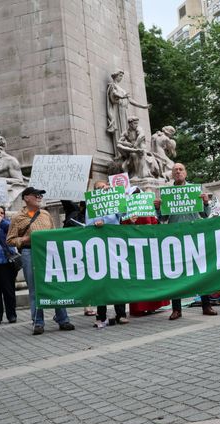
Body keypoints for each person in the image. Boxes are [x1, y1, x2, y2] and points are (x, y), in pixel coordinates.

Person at [7, 187, 75, 335]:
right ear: (26, 198)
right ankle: (38, 322)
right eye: (36, 194)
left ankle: (63, 319)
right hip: (29, 252)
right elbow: (10, 240)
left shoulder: (45, 214)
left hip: (48, 253)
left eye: (40, 195)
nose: (39, 197)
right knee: (34, 288)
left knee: (55, 284)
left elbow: (54, 233)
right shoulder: (17, 217)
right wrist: (24, 239)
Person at [157, 163, 217, 319]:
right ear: (172, 174)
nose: (178, 171)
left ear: (185, 172)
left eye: (181, 169)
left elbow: (205, 215)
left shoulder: (195, 190)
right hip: (175, 237)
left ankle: (206, 305)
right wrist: (158, 208)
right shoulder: (167, 193)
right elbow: (162, 218)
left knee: (201, 269)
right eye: (175, 170)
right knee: (176, 272)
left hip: (194, 235)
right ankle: (176, 309)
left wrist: (205, 203)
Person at [86, 181, 129, 327]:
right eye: (99, 188)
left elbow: (123, 213)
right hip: (99, 247)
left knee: (118, 279)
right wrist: (97, 223)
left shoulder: (114, 201)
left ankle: (121, 314)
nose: (103, 190)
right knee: (100, 280)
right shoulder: (91, 206)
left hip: (114, 245)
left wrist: (118, 196)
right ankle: (101, 315)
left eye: (105, 187)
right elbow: (88, 224)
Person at [122, 187, 171, 316]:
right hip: (135, 250)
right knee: (138, 278)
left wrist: (152, 227)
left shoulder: (149, 211)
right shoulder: (127, 212)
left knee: (151, 276)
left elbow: (156, 223)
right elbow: (122, 229)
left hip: (150, 248)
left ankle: (152, 306)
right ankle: (139, 308)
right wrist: (130, 223)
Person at [106, 70, 149, 149]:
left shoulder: (122, 89)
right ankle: (120, 150)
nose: (121, 78)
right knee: (119, 128)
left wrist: (142, 106)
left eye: (122, 76)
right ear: (116, 76)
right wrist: (122, 97)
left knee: (125, 127)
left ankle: (127, 148)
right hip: (117, 109)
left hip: (123, 110)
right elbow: (114, 94)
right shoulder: (112, 85)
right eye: (120, 76)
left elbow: (130, 100)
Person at [0, 205, 18, 324]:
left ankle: (11, 314)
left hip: (6, 262)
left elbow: (7, 227)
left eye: (2, 213)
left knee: (8, 290)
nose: (0, 214)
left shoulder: (6, 224)